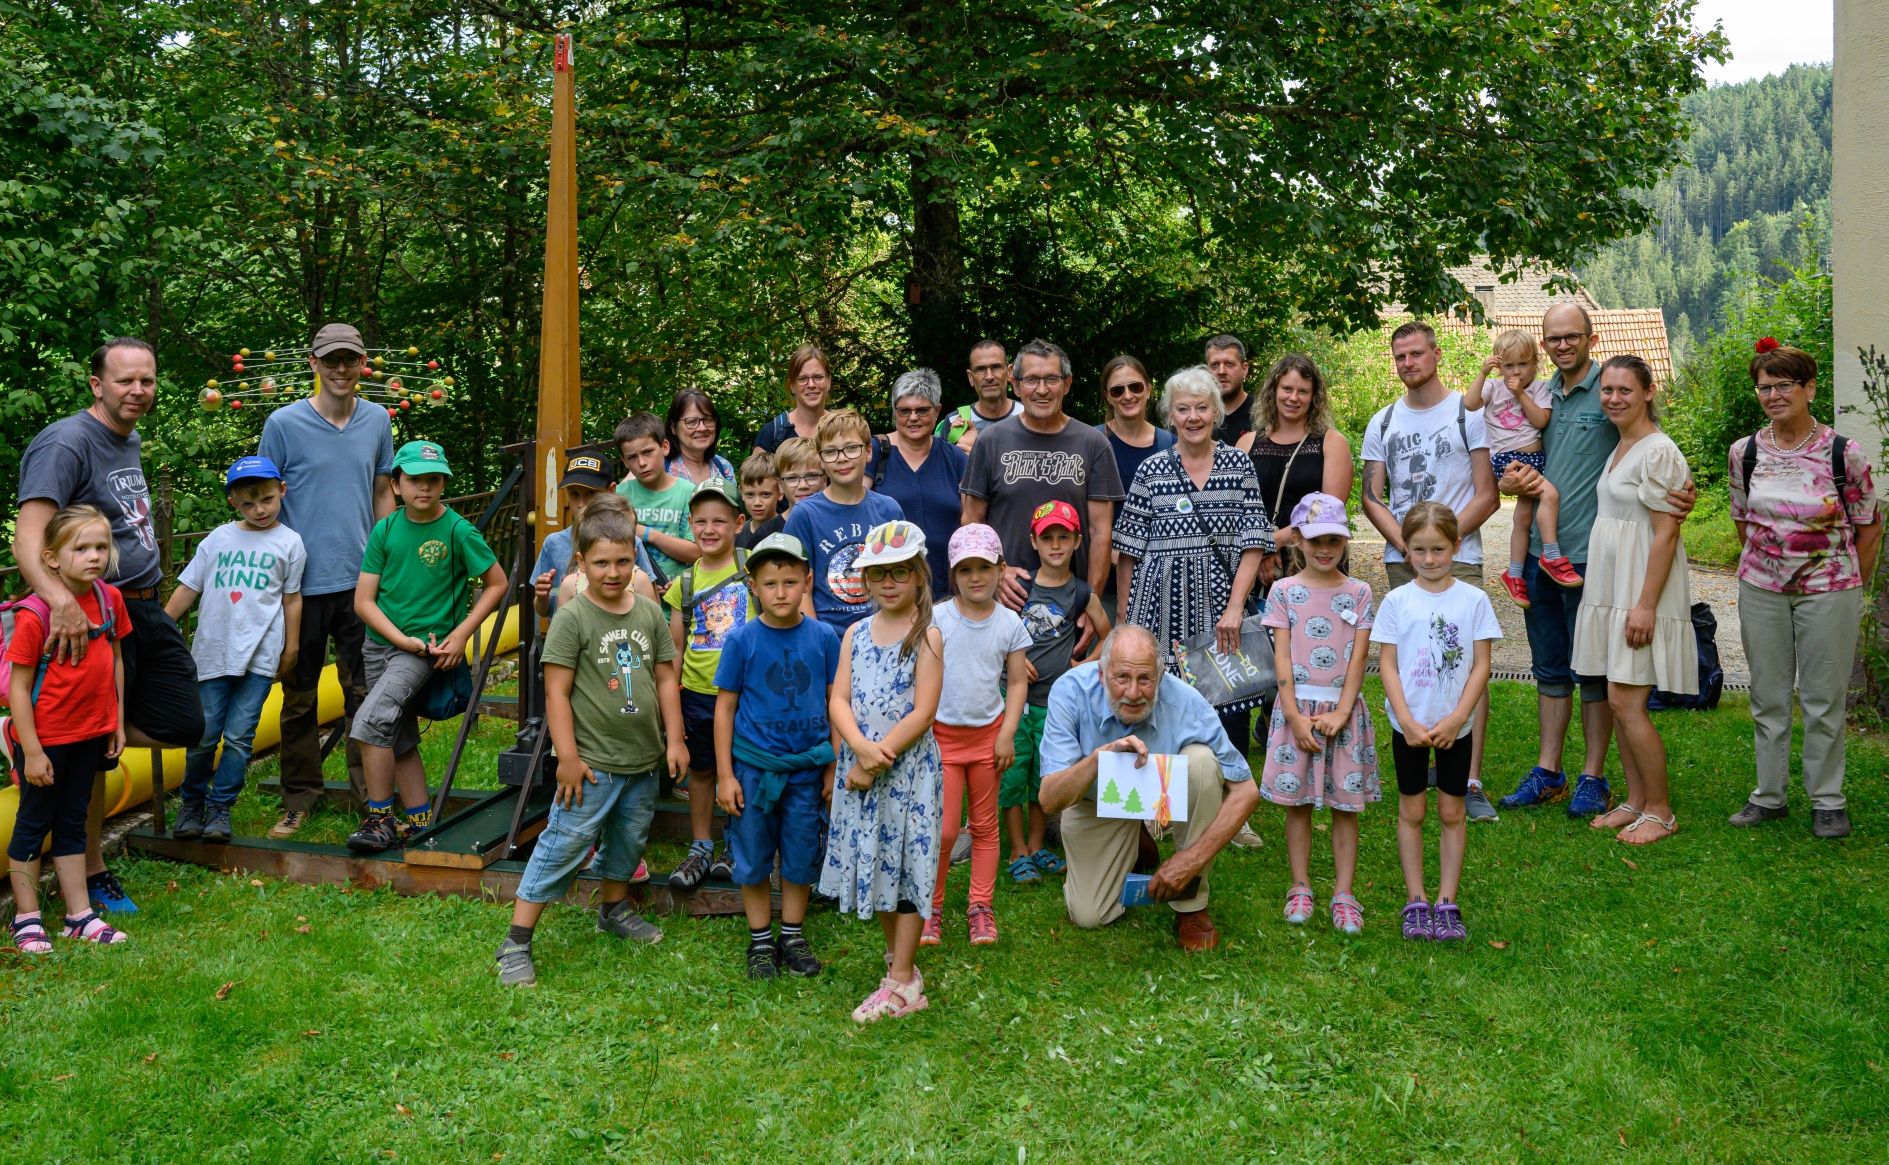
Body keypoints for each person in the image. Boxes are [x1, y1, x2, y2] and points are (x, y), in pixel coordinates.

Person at [13, 337, 203, 912]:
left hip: (141, 606)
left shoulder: (128, 436)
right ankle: (92, 872)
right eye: (125, 381)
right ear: (97, 385)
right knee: (92, 748)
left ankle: (84, 740)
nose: (138, 391)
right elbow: (29, 537)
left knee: (185, 722)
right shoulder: (66, 442)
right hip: (90, 615)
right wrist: (62, 604)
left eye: (146, 380)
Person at [1498, 304, 1697, 818]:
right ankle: (1548, 770)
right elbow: (1520, 457)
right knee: (1549, 667)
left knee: (1595, 673)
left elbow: (1652, 455)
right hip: (1542, 553)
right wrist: (1508, 481)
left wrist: (1683, 493)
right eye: (1553, 338)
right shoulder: (1540, 392)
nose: (1562, 346)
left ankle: (1593, 775)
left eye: (1571, 337)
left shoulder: (1608, 391)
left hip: (1593, 561)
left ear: (1591, 337)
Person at [494, 501, 685, 986]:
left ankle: (614, 910)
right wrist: (569, 758)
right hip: (592, 764)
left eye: (623, 561)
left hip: (642, 762)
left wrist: (675, 741)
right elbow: (555, 692)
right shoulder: (572, 618)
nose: (614, 572)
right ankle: (516, 941)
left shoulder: (647, 611)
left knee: (627, 841)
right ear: (580, 562)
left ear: (635, 559)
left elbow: (665, 678)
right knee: (563, 843)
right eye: (601, 562)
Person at [1728, 341, 1881, 839]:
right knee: (1768, 695)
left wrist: (1847, 582)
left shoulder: (1844, 453)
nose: (1773, 394)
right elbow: (1743, 522)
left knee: (1823, 698)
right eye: (1764, 386)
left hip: (1829, 591)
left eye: (1783, 384)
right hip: (1761, 590)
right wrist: (1768, 567)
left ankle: (1828, 801)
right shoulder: (1745, 452)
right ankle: (1768, 796)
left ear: (1809, 387)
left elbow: (1869, 526)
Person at [1038, 625, 1260, 952]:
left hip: (1164, 790)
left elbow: (1246, 792)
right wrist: (1099, 759)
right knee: (1090, 914)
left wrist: (1191, 860)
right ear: (1101, 675)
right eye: (1121, 678)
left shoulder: (1187, 702)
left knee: (1201, 762)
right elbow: (1049, 799)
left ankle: (1191, 906)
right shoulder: (1069, 692)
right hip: (1096, 801)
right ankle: (1137, 839)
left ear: (1160, 676)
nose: (1133, 692)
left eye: (1145, 679)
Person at [261, 322, 395, 839]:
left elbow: (384, 492)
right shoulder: (283, 423)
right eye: (331, 360)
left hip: (361, 583)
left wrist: (388, 562)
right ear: (313, 363)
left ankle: (372, 800)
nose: (342, 370)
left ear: (363, 364)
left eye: (351, 360)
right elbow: (263, 500)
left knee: (367, 693)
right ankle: (298, 797)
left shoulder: (377, 420)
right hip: (298, 588)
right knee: (298, 696)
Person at [1360, 321, 1499, 816]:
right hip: (1404, 562)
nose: (1407, 364)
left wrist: (1443, 542)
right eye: (1399, 357)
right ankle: (1418, 756)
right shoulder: (1381, 422)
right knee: (1416, 662)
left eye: (1416, 354)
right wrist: (1409, 546)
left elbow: (1489, 494)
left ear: (1436, 354)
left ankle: (1470, 779)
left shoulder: (1468, 414)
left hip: (1459, 559)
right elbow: (1370, 497)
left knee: (1464, 668)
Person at [345, 441, 508, 854]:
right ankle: (419, 822)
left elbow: (497, 583)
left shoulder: (457, 530)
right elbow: (364, 601)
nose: (425, 487)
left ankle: (380, 819)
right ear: (396, 485)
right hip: (381, 645)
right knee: (397, 735)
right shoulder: (385, 530)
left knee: (371, 722)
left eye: (433, 480)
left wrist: (463, 633)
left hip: (423, 651)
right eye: (415, 479)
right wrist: (396, 638)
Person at [1113, 366, 1274, 754]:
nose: (1193, 418)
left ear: (1216, 413)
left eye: (1202, 408)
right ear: (1170, 415)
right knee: (1161, 709)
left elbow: (1253, 542)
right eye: (1183, 409)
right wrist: (1125, 621)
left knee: (1227, 705)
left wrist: (1236, 607)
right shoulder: (1151, 470)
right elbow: (1128, 551)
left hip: (1221, 611)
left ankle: (1228, 804)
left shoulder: (1238, 466)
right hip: (1158, 611)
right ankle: (1165, 804)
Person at [820, 521, 945, 1023]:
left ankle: (901, 985)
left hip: (907, 776)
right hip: (861, 767)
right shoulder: (855, 633)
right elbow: (839, 698)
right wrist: (856, 748)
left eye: (898, 573)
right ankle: (901, 965)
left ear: (918, 575)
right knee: (880, 867)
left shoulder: (927, 635)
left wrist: (877, 759)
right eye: (877, 575)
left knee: (909, 871)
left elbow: (923, 712)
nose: (888, 583)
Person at [1571, 356, 1695, 846]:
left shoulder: (1658, 452)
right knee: (1618, 698)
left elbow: (1665, 535)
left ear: (1648, 392)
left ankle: (1661, 810)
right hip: (1612, 586)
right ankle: (1636, 801)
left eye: (1625, 390)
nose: (1614, 398)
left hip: (1640, 589)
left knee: (1627, 699)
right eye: (1607, 390)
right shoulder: (1622, 445)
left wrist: (1644, 605)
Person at [1370, 502, 1501, 942]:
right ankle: (1415, 900)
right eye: (1420, 550)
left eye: (1439, 549)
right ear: (1405, 550)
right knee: (1412, 810)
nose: (1429, 559)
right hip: (1409, 727)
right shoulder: (1396, 601)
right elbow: (1387, 665)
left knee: (1451, 810)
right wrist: (1405, 719)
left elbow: (1481, 665)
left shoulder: (1474, 600)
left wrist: (1459, 716)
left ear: (1456, 547)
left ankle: (1447, 901)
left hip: (1454, 728)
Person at [714, 532, 841, 979]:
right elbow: (725, 709)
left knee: (801, 852)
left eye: (790, 581)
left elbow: (835, 702)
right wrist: (726, 775)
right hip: (754, 769)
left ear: (808, 581)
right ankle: (761, 940)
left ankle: (792, 933)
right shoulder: (742, 640)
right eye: (770, 583)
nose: (781, 592)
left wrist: (832, 765)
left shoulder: (824, 638)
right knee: (752, 854)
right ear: (754, 586)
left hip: (806, 768)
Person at [5, 506, 131, 950]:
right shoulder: (35, 613)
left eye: (101, 546)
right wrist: (33, 751)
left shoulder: (108, 600)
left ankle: (79, 916)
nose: (94, 556)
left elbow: (114, 660)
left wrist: (115, 721)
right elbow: (19, 689)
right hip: (46, 740)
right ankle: (26, 916)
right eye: (81, 548)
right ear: (52, 558)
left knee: (74, 822)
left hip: (91, 733)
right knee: (33, 824)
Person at [164, 456, 307, 844]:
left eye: (265, 499)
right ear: (233, 503)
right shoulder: (219, 539)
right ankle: (192, 803)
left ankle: (220, 808)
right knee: (204, 735)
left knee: (241, 737)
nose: (259, 510)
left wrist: (290, 647)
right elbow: (188, 588)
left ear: (282, 490)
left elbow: (291, 599)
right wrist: (161, 628)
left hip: (260, 658)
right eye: (248, 503)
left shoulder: (290, 543)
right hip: (213, 654)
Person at [1259, 493, 1378, 935]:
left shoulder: (1360, 593)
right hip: (1298, 713)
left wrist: (1344, 712)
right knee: (1299, 805)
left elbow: (1359, 659)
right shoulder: (1283, 592)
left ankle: (1344, 894)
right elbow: (1283, 660)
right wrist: (1292, 716)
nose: (1325, 549)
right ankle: (1300, 886)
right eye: (1315, 540)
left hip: (1343, 716)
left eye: (1333, 539)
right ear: (1297, 542)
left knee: (1345, 807)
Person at [924, 524, 1030, 948]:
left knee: (985, 827)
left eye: (984, 567)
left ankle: (980, 907)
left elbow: (1018, 683)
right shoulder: (936, 617)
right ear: (953, 574)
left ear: (1001, 569)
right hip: (942, 740)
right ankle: (930, 906)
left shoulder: (1010, 623)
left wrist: (1007, 734)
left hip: (989, 738)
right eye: (965, 569)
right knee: (945, 830)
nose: (975, 577)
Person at [961, 338, 1125, 602]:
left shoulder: (1093, 444)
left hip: (1070, 602)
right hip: (1003, 600)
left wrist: (1090, 600)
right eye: (1031, 380)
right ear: (1015, 385)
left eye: (1051, 379)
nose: (1042, 390)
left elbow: (1101, 532)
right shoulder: (991, 441)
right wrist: (998, 572)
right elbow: (971, 521)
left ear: (1067, 384)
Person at [1005, 501, 1110, 883]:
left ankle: (1037, 845)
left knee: (1042, 774)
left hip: (1054, 704)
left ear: (1077, 541)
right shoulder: (1018, 589)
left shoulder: (1081, 593)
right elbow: (996, 635)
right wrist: (1011, 661)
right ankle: (1016, 849)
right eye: (1046, 537)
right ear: (1033, 542)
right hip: (1013, 701)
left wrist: (1086, 664)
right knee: (1013, 773)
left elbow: (1107, 634)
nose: (1054, 545)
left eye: (1062, 537)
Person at [664, 478, 755, 889]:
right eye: (700, 521)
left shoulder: (753, 567)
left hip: (746, 693)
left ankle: (737, 845)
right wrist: (673, 702)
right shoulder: (684, 584)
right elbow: (676, 647)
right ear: (690, 524)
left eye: (720, 520)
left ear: (738, 522)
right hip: (698, 694)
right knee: (701, 772)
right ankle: (701, 845)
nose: (710, 530)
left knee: (742, 768)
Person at [1465, 330, 1581, 606]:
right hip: (1509, 460)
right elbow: (1469, 404)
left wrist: (1520, 395)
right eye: (1508, 366)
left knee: (1524, 517)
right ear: (1499, 365)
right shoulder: (1493, 388)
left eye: (1523, 365)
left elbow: (1541, 420)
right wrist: (1483, 373)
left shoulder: (1539, 388)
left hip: (1535, 460)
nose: (1516, 372)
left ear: (1535, 363)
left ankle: (1514, 574)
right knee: (1550, 496)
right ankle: (1552, 556)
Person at [784, 409, 905, 632]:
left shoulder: (889, 510)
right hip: (828, 639)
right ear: (820, 459)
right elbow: (800, 589)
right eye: (830, 452)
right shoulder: (805, 515)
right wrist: (819, 643)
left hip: (882, 635)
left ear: (868, 451)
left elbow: (903, 579)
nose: (841, 458)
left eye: (851, 448)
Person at [1248, 354, 1354, 574]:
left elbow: (1326, 511)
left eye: (1303, 391)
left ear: (1314, 397)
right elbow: (1235, 509)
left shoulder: (1331, 443)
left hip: (1314, 559)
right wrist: (1257, 551)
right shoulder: (1247, 443)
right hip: (1255, 562)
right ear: (1273, 391)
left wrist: (1271, 542)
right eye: (1287, 389)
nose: (1293, 397)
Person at [870, 368, 969, 598]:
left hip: (947, 590)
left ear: (937, 412)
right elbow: (857, 508)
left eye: (922, 410)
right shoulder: (876, 452)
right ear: (894, 413)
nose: (913, 418)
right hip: (889, 588)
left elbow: (971, 521)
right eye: (904, 411)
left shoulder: (954, 458)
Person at [531, 453, 655, 619]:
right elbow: (543, 610)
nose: (581, 504)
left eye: (591, 494)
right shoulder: (554, 543)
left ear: (611, 490)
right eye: (574, 494)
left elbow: (652, 607)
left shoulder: (631, 543)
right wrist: (542, 597)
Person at [615, 411, 700, 586]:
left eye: (648, 452)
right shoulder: (618, 496)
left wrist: (647, 534)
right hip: (631, 601)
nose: (642, 463)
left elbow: (697, 553)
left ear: (665, 447)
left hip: (678, 599)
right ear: (624, 461)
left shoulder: (688, 492)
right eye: (632, 457)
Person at [1100, 354, 1176, 494]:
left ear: (1148, 390)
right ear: (1108, 397)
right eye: (1117, 390)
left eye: (1135, 387)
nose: (1128, 396)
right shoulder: (1093, 441)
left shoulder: (1170, 443)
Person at [938, 338, 1021, 451]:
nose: (989, 377)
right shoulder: (955, 422)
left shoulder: (1028, 415)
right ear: (970, 377)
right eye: (980, 369)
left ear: (1009, 372)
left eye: (996, 367)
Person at [753, 344, 833, 454]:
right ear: (792, 386)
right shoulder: (772, 433)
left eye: (818, 377)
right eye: (802, 378)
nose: (811, 384)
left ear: (828, 382)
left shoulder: (844, 429)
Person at [665, 389, 735, 484]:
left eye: (708, 419)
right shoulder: (660, 470)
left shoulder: (724, 468)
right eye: (692, 422)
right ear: (673, 427)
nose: (702, 428)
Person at [1205, 334, 1254, 449]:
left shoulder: (1263, 413)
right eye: (1215, 365)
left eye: (1229, 364)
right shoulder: (1197, 415)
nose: (1221, 371)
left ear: (1244, 369)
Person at [733, 451, 784, 551]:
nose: (757, 503)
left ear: (780, 492)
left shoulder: (788, 530)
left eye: (765, 494)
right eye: (750, 494)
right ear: (741, 493)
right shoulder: (736, 534)